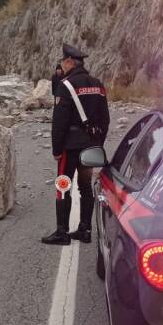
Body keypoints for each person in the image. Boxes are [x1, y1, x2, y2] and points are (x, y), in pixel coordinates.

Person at [41, 44, 110, 245]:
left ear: (70, 62)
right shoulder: (98, 84)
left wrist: (56, 149)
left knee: (63, 186)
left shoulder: (66, 85)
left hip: (69, 147)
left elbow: (60, 121)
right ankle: (85, 230)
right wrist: (98, 143)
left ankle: (62, 232)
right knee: (85, 186)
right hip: (89, 146)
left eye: (64, 61)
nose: (62, 65)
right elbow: (105, 119)